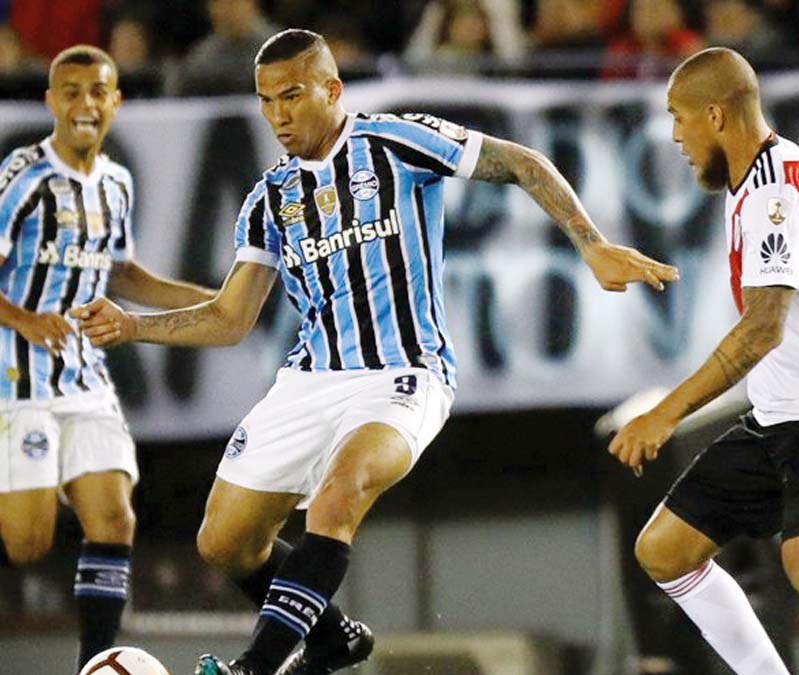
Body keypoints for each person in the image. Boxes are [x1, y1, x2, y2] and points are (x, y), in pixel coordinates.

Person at [72, 29, 679, 675]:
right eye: (266, 101)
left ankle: (256, 667)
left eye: (292, 96)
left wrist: (591, 243)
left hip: (404, 373)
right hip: (310, 379)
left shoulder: (394, 141)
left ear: (332, 89)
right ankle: (334, 638)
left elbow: (525, 163)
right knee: (224, 543)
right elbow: (229, 318)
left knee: (339, 496)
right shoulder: (270, 198)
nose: (277, 115)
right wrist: (133, 326)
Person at [609, 47, 799, 674]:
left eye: (679, 118)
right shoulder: (769, 169)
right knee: (665, 549)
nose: (676, 137)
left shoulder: (773, 192)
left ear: (715, 115)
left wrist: (665, 414)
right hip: (779, 416)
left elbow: (760, 331)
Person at [0, 45, 217, 673]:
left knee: (114, 518)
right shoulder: (23, 177)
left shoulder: (117, 183)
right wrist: (25, 318)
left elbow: (121, 273)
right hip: (18, 379)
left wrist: (216, 301)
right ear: (51, 102)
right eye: (70, 92)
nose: (85, 104)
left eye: (97, 91)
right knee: (28, 543)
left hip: (85, 378)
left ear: (115, 101)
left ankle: (93, 664)